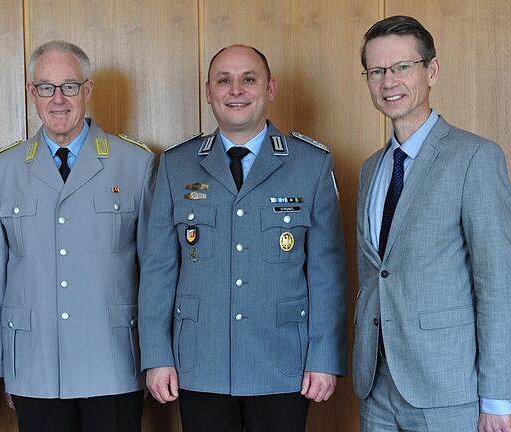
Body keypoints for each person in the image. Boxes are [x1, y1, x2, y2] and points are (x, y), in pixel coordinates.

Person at [138, 44, 347, 432]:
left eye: (248, 79)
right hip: (200, 363)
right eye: (224, 80)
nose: (236, 90)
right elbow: (158, 271)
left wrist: (324, 357)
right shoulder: (175, 164)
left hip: (284, 363)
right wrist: (157, 355)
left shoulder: (311, 163)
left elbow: (326, 273)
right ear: (208, 91)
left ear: (270, 89)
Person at [0, 40, 155, 432]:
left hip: (113, 363)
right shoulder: (2, 170)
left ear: (87, 90)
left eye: (69, 86)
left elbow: (153, 270)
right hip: (35, 364)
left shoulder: (135, 163)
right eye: (46, 87)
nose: (58, 99)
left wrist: (154, 357)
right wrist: (5, 364)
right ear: (32, 93)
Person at [353, 15, 511, 432]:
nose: (389, 81)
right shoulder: (371, 169)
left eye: (402, 67)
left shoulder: (475, 158)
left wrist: (497, 398)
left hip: (447, 387)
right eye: (377, 71)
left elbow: (497, 284)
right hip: (376, 387)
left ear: (431, 71)